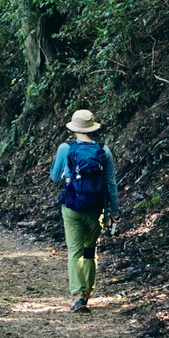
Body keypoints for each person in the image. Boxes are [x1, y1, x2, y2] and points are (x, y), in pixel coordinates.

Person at [50, 108, 119, 312]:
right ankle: (88, 293)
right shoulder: (103, 150)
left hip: (72, 206)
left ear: (73, 128)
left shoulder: (66, 148)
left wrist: (66, 172)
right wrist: (113, 212)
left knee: (75, 251)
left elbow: (54, 177)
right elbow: (111, 184)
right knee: (90, 250)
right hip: (95, 208)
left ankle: (78, 296)